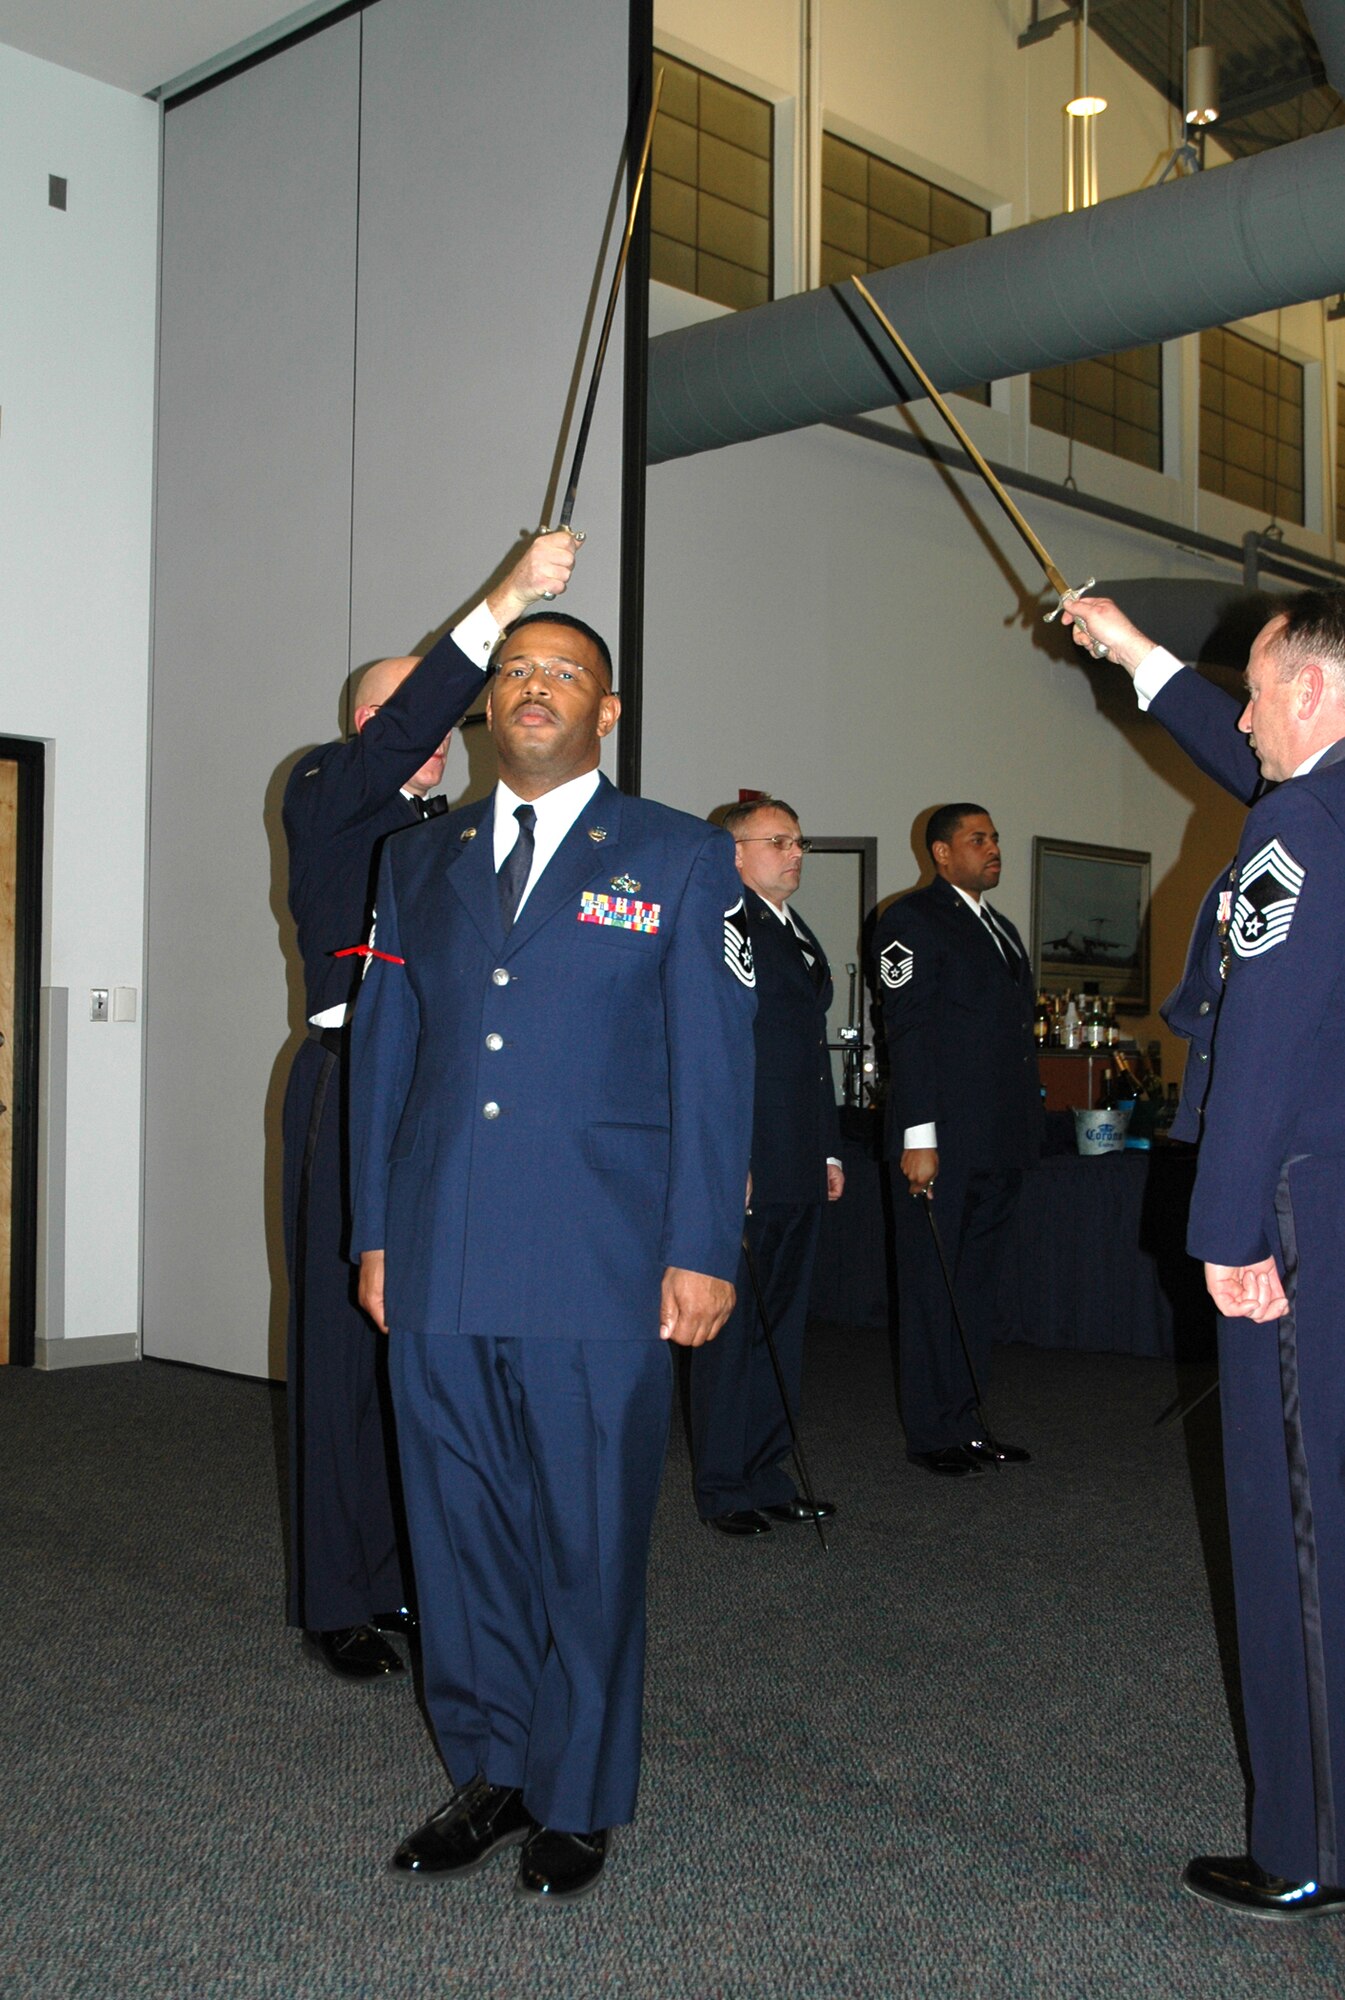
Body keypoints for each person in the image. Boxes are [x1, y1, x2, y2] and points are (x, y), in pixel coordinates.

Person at [347, 609, 756, 1902]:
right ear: (484, 705)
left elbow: (714, 1065)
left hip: (603, 1258)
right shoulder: (420, 861)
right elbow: (385, 1058)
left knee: (586, 1535)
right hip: (441, 1252)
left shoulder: (681, 858)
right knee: (458, 1531)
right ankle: (494, 1767)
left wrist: (701, 1245)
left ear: (608, 710)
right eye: (515, 670)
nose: (536, 689)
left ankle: (576, 1796)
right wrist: (372, 1231)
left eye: (564, 674)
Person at [280, 530, 578, 1681]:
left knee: (437, 1339)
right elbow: (405, 721)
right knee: (346, 1343)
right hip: (351, 1085)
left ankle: (411, 1569)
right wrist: (503, 604)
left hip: (449, 1099)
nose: (451, 725)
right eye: (421, 710)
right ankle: (335, 1592)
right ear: (371, 728)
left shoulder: (465, 840)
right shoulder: (326, 789)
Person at [1135, 594, 1345, 1919]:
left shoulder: (1295, 829)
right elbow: (1254, 754)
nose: (1245, 716)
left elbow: (1259, 1044)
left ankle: (1307, 1843)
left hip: (1293, 1216)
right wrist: (1133, 658)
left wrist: (1219, 1235)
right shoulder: (1321, 805)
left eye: (1258, 691)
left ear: (1315, 696)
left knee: (1295, 1533)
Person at [689, 797, 842, 1537]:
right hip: (748, 1155)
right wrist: (730, 1155)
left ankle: (766, 1469)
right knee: (733, 1323)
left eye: (797, 839)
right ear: (734, 854)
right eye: (777, 841)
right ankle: (723, 1483)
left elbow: (810, 1057)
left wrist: (828, 1146)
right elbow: (717, 1051)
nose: (795, 852)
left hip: (797, 1154)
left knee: (780, 1321)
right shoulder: (725, 923)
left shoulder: (794, 931)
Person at [1057, 593, 1263, 1139]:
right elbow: (1220, 733)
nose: (1246, 718)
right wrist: (1126, 644)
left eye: (1261, 692)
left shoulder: (1322, 805)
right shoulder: (1304, 798)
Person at [871, 806, 1038, 1477]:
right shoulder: (909, 920)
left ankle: (967, 1420)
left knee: (974, 1287)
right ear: (941, 854)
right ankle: (929, 1431)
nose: (993, 848)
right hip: (940, 1139)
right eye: (978, 840)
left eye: (995, 838)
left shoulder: (998, 927)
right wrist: (917, 1134)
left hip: (997, 1138)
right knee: (930, 1285)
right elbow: (907, 1033)